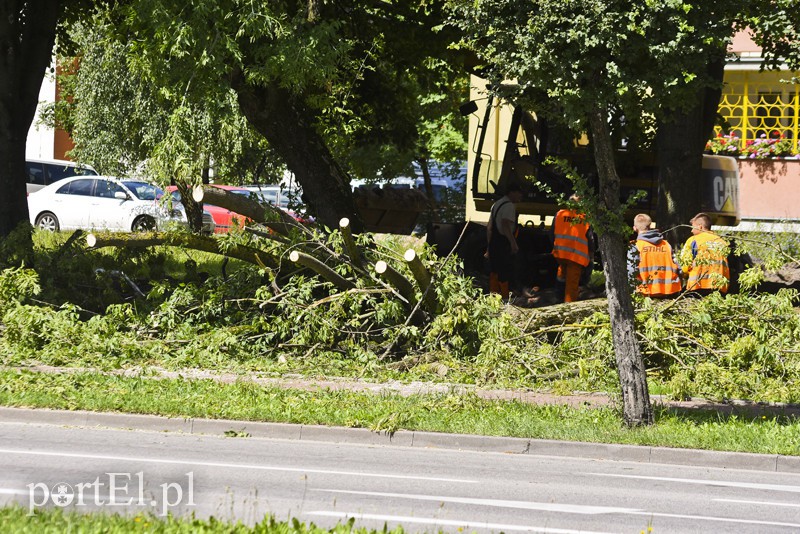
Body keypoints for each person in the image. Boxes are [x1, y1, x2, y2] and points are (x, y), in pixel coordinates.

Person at [628, 213, 682, 298]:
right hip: (669, 292)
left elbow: (631, 271)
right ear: (650, 225)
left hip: (644, 293)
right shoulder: (666, 244)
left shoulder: (635, 245)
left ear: (635, 228)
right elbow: (679, 267)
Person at [486, 184, 523, 299]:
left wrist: (489, 246)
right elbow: (505, 225)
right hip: (503, 242)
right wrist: (513, 243)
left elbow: (489, 227)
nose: (520, 196)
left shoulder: (496, 204)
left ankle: (493, 298)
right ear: (512, 192)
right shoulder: (509, 206)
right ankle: (505, 299)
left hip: (494, 242)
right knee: (504, 272)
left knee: (494, 271)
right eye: (519, 193)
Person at [552, 195, 591, 303]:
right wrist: (591, 254)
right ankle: (569, 309)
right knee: (572, 285)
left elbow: (552, 233)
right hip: (576, 256)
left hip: (560, 254)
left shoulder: (559, 214)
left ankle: (557, 300)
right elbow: (590, 238)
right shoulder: (584, 218)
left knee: (561, 276)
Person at [680, 212, 730, 295]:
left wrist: (684, 276)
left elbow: (685, 266)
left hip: (698, 286)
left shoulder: (693, 240)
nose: (691, 231)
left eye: (693, 227)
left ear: (700, 227)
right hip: (719, 287)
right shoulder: (722, 242)